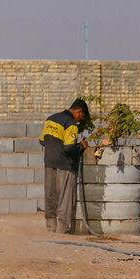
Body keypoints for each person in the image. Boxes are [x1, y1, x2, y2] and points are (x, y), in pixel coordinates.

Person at [39, 98, 89, 233]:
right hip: (64, 164)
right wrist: (81, 146)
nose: (79, 121)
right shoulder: (71, 123)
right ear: (78, 111)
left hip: (49, 161)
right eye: (81, 117)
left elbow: (42, 141)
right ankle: (62, 229)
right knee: (65, 198)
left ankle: (50, 226)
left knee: (50, 194)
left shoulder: (51, 119)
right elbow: (68, 148)